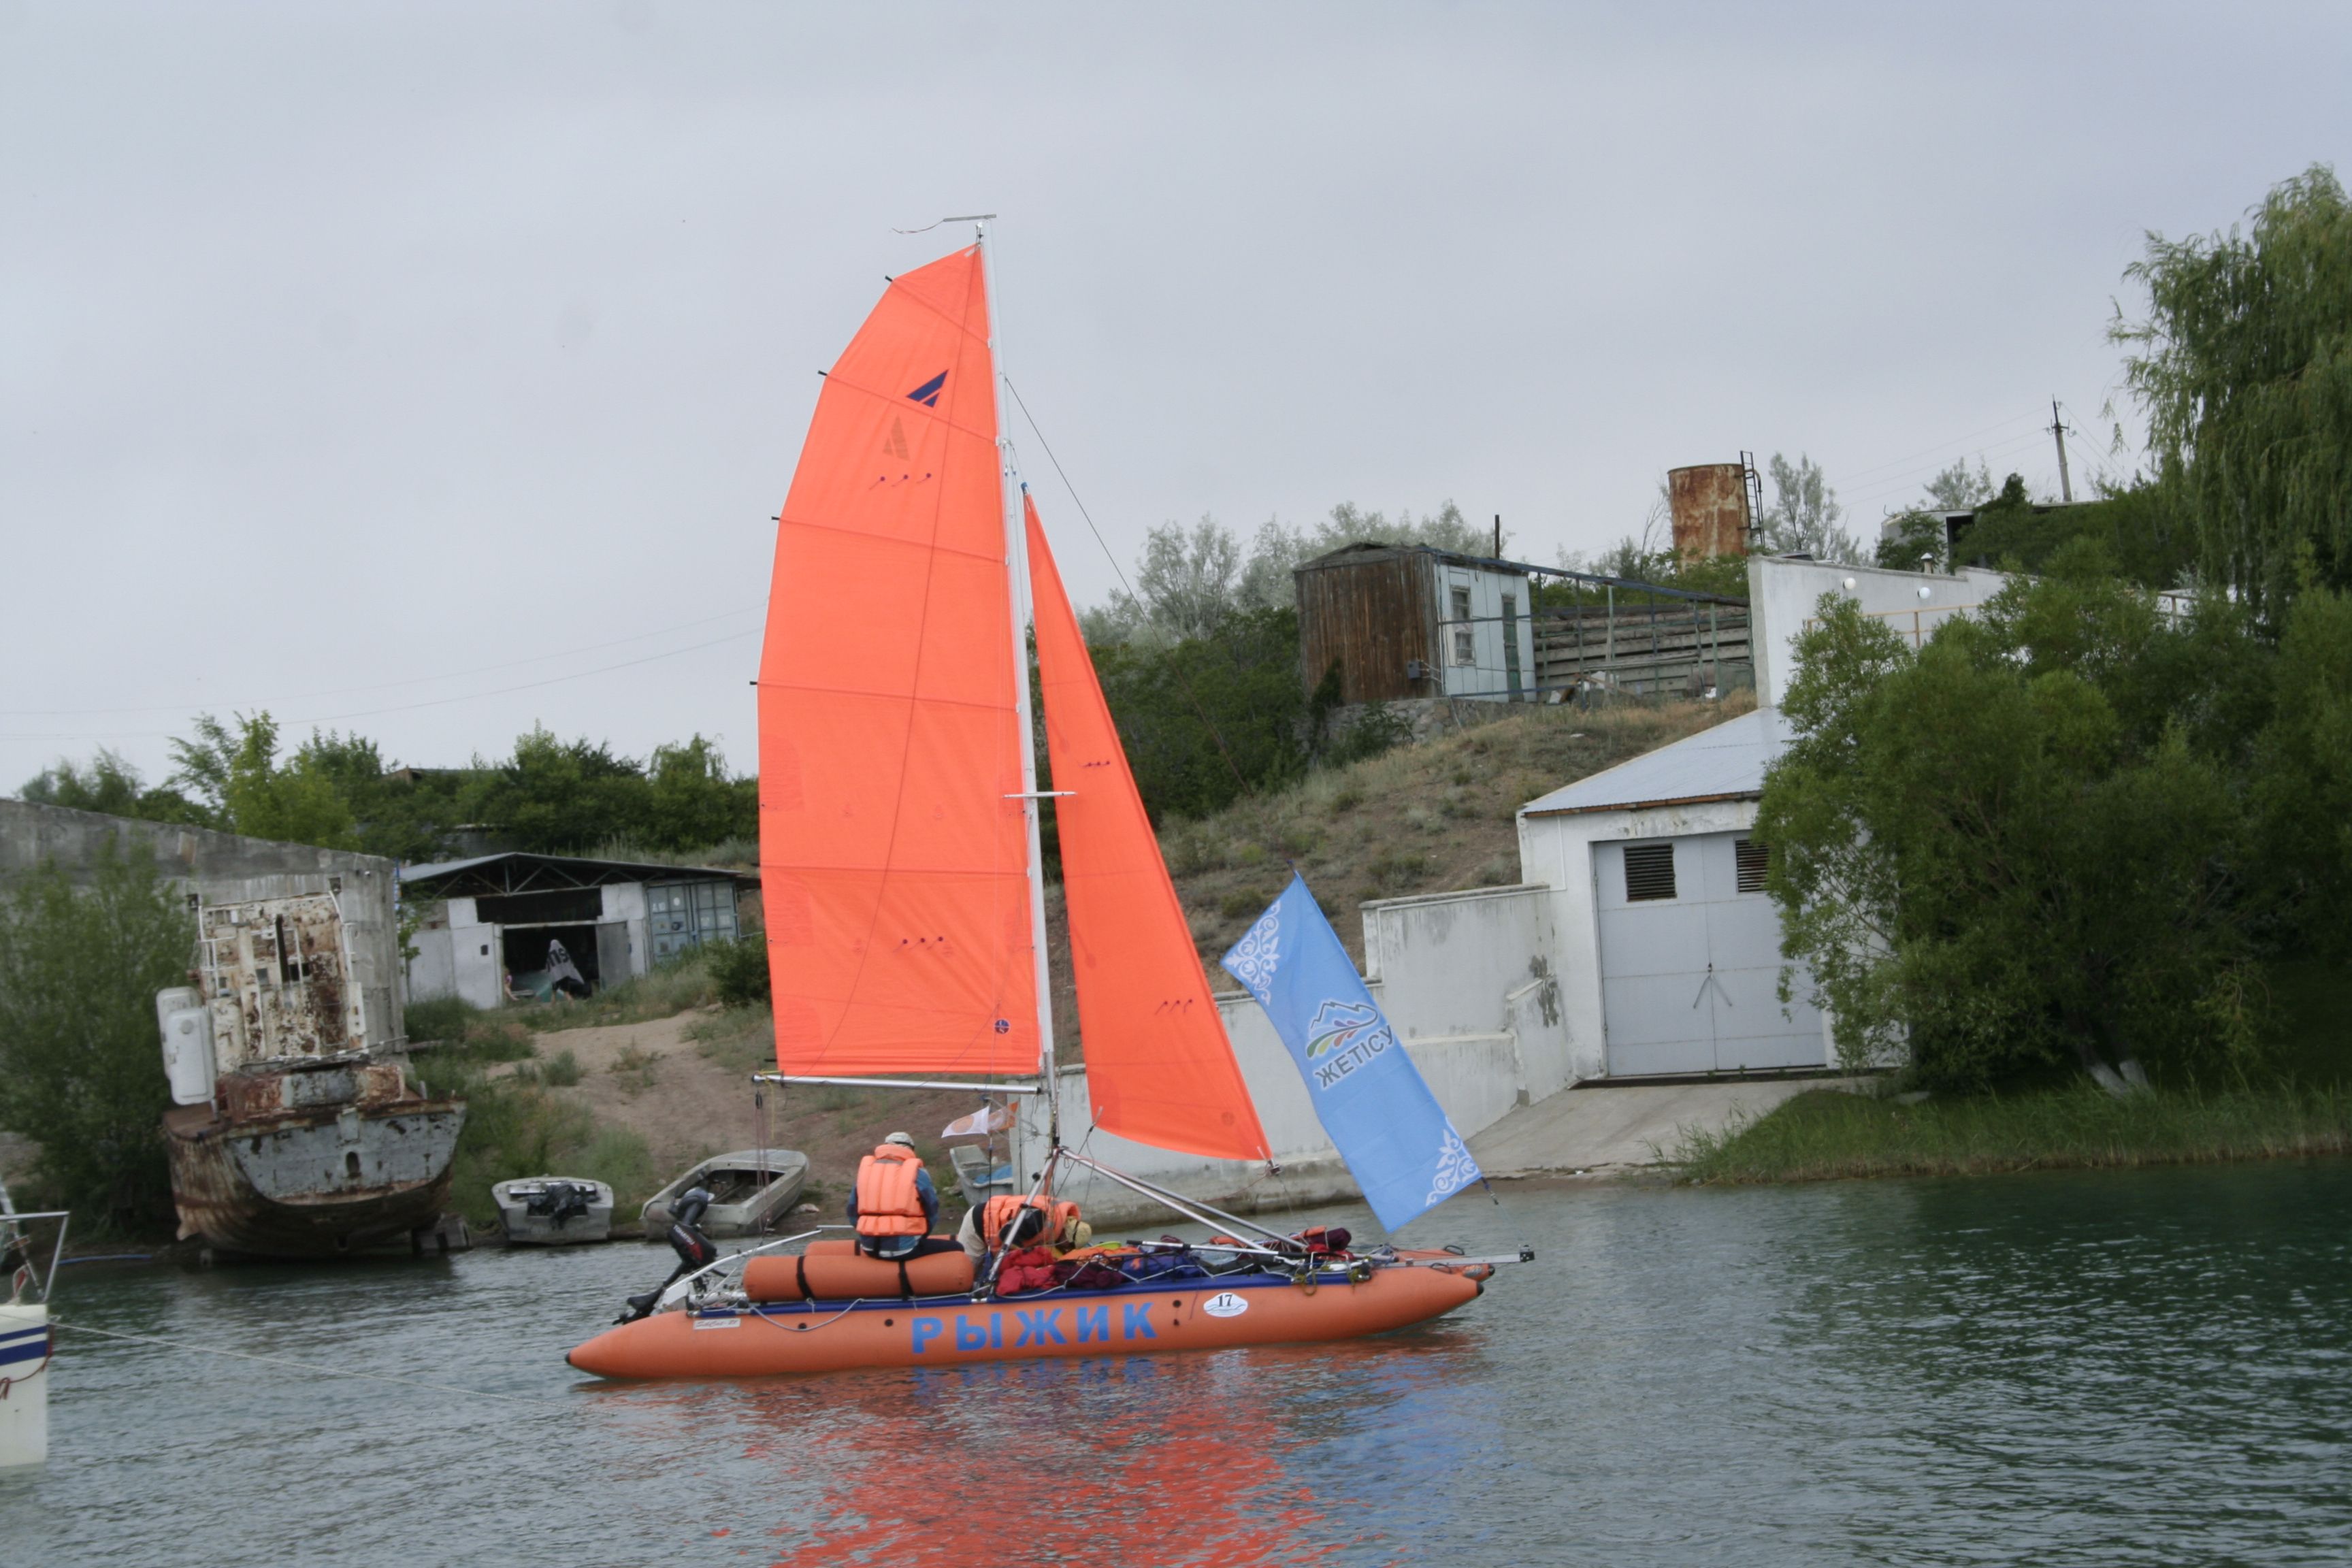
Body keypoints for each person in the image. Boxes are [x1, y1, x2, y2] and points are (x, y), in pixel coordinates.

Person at [846, 1132, 938, 1260]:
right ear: (911, 1149)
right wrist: (923, 1234)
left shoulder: (865, 1173)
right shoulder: (919, 1173)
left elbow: (852, 1213)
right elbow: (932, 1210)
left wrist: (868, 1231)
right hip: (904, 1250)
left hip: (868, 1248)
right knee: (956, 1248)